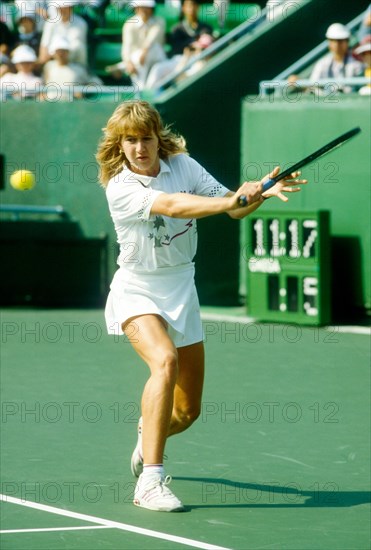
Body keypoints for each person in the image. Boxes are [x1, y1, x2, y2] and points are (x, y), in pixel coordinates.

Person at [95, 100, 307, 512]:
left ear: (159, 138)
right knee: (164, 361)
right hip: (137, 289)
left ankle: (148, 431)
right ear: (120, 145)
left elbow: (233, 208)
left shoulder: (184, 166)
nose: (139, 147)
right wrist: (231, 202)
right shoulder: (119, 187)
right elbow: (175, 206)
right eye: (130, 140)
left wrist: (256, 193)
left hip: (182, 288)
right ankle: (150, 482)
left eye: (146, 138)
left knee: (188, 412)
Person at [121, 0, 166, 91]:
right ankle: (141, 90)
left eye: (147, 7)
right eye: (141, 7)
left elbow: (153, 38)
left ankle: (145, 91)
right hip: (138, 62)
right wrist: (128, 62)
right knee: (137, 59)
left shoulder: (159, 21)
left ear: (152, 9)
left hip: (157, 59)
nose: (144, 10)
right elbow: (127, 46)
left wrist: (145, 51)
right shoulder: (129, 24)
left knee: (152, 51)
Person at [145, 31, 214, 90]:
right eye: (197, 48)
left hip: (182, 84)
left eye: (202, 49)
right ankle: (147, 93)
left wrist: (185, 58)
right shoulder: (193, 57)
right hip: (181, 62)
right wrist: (186, 56)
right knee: (158, 68)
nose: (198, 51)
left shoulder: (201, 65)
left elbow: (177, 77)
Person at [309, 23, 363, 93]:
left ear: (347, 42)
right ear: (329, 43)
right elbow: (312, 86)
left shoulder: (357, 63)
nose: (337, 44)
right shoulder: (322, 63)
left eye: (340, 40)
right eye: (333, 40)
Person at [38, 0, 88, 67]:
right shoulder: (50, 23)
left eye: (66, 7)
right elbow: (44, 46)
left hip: (74, 64)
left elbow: (77, 47)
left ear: (71, 7)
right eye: (60, 7)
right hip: (53, 61)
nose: (63, 10)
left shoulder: (81, 23)